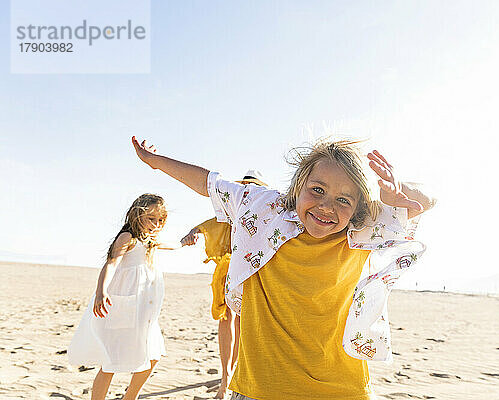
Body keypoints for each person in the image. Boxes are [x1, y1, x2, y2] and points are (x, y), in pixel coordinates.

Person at [131, 136, 435, 400]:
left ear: (358, 206)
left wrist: (397, 192)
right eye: (317, 190)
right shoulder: (263, 208)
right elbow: (208, 182)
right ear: (299, 184)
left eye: (343, 199)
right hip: (259, 389)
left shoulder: (364, 228)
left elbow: (429, 199)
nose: (327, 207)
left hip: (341, 389)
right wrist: (155, 161)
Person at [68, 193, 187, 400]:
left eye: (160, 220)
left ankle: (129, 397)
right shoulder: (128, 238)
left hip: (145, 312)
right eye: (151, 219)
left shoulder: (151, 241)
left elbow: (174, 245)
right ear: (136, 215)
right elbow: (112, 263)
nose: (156, 224)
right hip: (124, 307)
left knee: (153, 355)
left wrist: (188, 239)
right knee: (111, 361)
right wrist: (101, 291)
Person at [180, 170, 267, 399]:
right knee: (227, 319)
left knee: (242, 323)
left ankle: (232, 376)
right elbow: (203, 227)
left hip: (252, 275)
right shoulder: (228, 212)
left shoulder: (263, 212)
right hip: (228, 274)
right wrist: (192, 234)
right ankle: (226, 378)